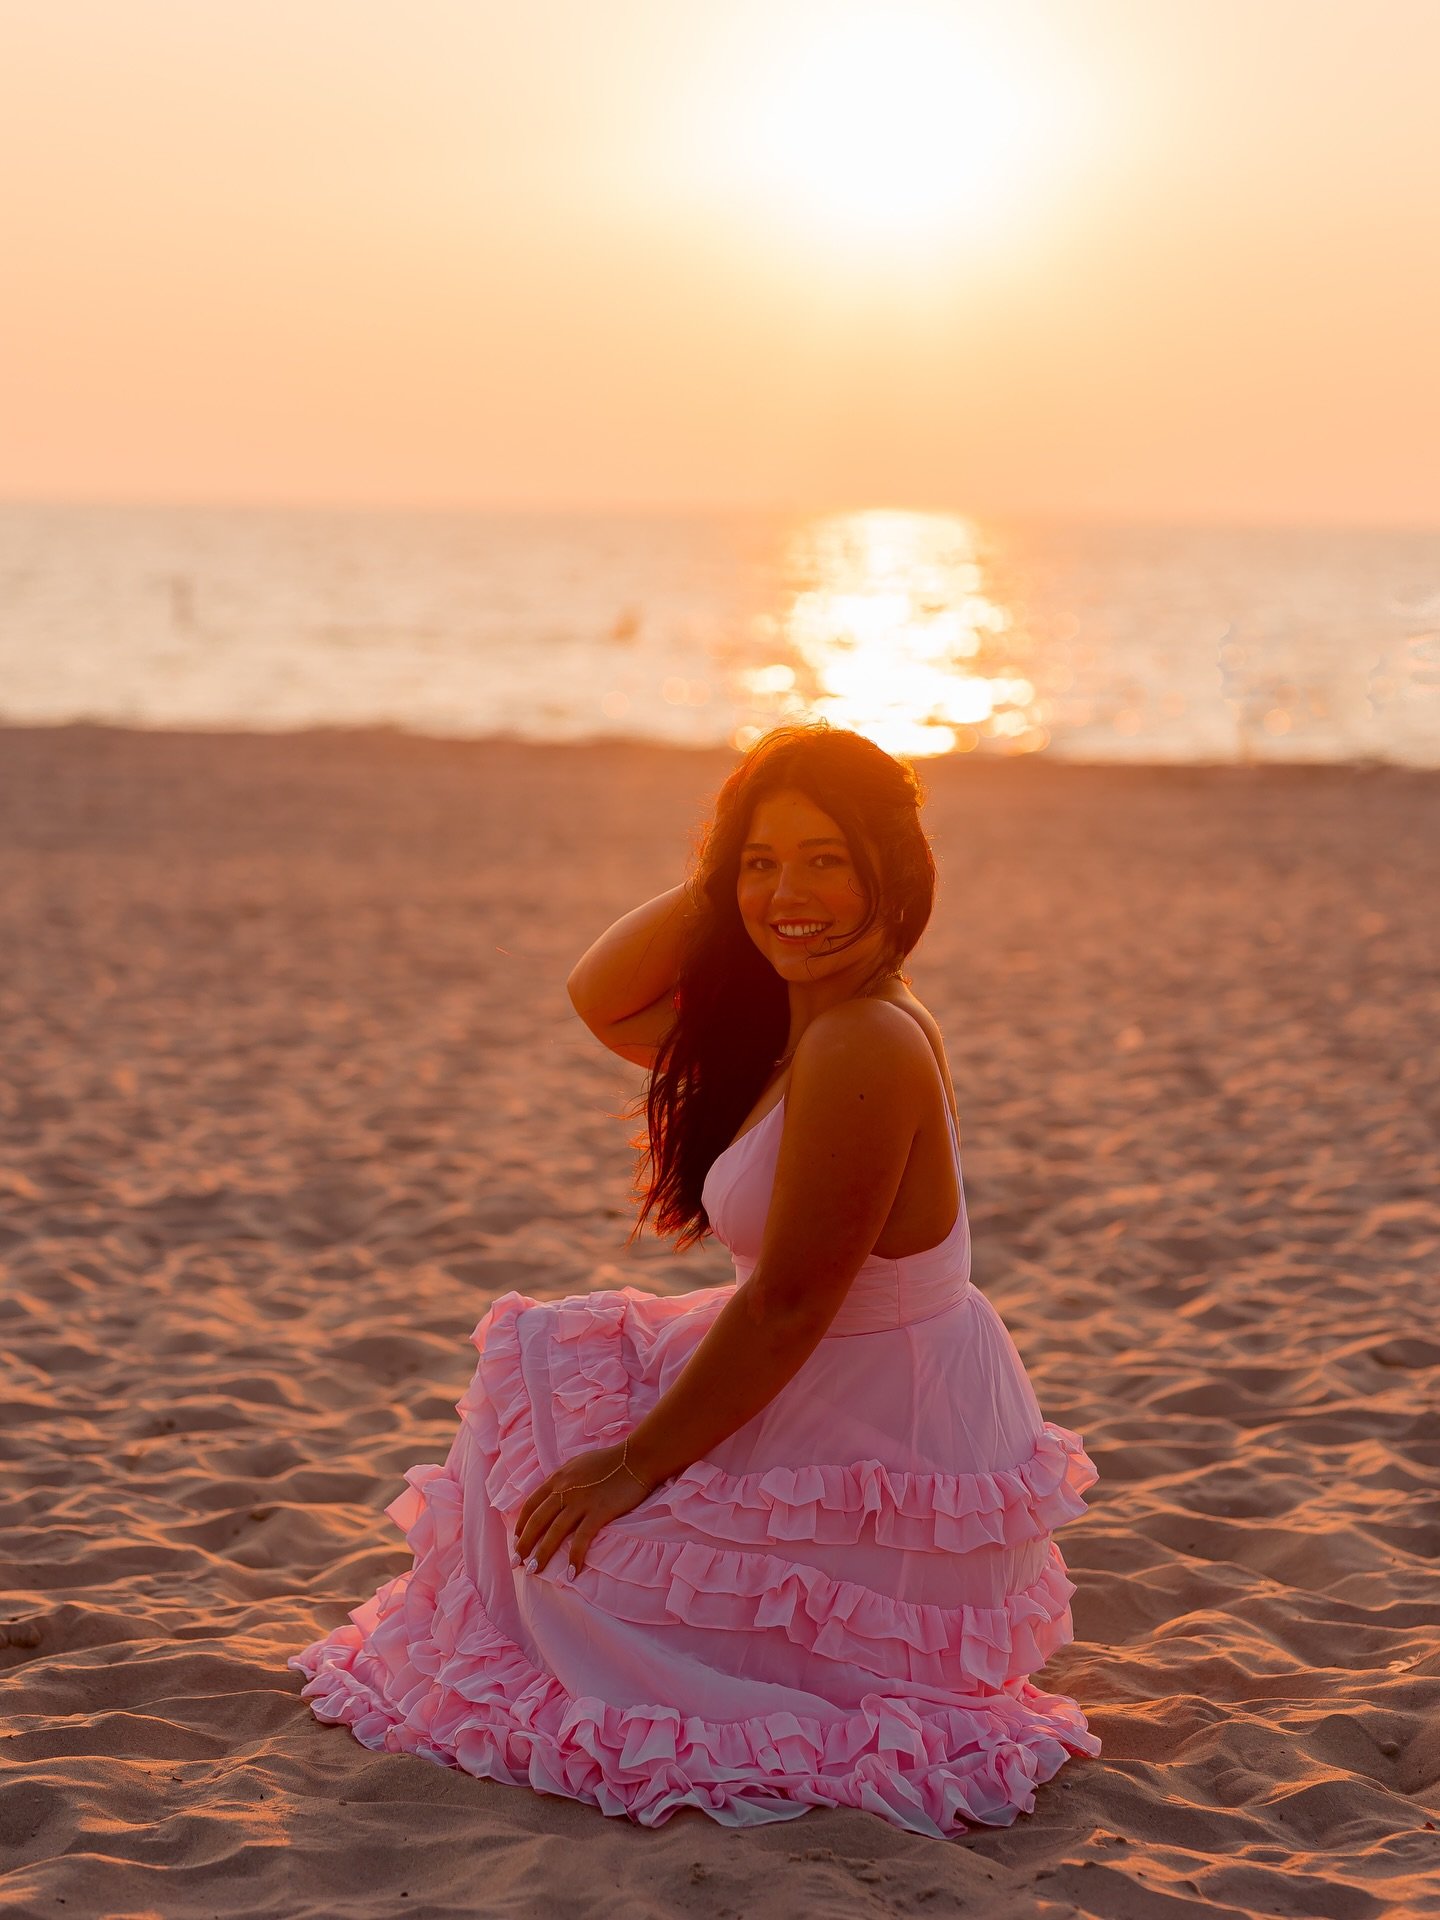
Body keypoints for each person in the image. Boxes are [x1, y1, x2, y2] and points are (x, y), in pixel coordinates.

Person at [289, 720, 1100, 1838]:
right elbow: (601, 996)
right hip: (819, 1368)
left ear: (895, 872)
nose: (790, 892)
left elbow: (792, 1304)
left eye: (826, 858)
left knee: (590, 1574)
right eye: (763, 861)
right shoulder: (785, 1025)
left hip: (880, 1415)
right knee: (537, 1427)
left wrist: (634, 1464)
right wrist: (732, 878)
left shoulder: (865, 1037)